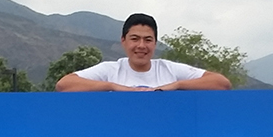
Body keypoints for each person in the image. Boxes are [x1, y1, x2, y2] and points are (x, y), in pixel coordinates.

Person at [54, 13, 234, 91]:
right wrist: (113, 87)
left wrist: (176, 86)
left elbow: (221, 83)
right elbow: (64, 85)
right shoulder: (110, 70)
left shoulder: (169, 70)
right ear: (123, 41)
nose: (141, 45)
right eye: (134, 39)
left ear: (155, 43)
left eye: (148, 40)